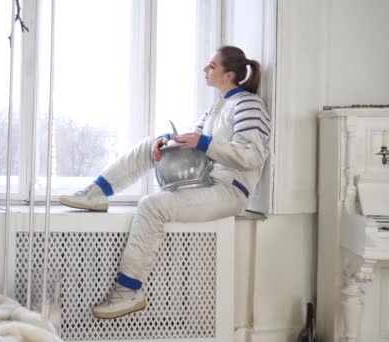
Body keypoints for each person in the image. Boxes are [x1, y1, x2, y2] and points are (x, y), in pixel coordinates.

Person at [59, 45, 271, 319]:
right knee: (151, 142)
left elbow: (252, 156)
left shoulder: (248, 105)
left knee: (152, 206)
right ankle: (97, 192)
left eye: (212, 66)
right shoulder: (216, 106)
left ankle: (128, 293)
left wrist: (204, 142)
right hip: (204, 181)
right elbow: (194, 142)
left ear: (229, 74)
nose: (205, 70)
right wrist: (167, 142)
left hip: (230, 190)